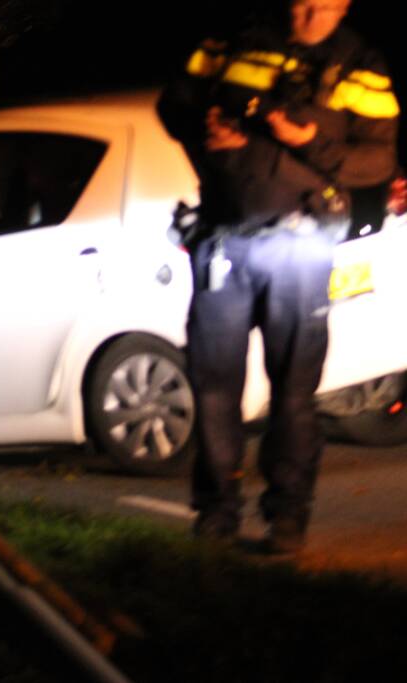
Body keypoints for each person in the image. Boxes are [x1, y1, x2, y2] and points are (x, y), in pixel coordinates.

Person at [157, 0, 400, 553]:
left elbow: (377, 161)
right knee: (214, 386)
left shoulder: (361, 67)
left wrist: (305, 140)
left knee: (293, 391)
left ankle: (287, 517)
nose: (307, 12)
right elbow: (173, 104)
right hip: (224, 238)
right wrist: (203, 129)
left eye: (322, 4)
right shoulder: (235, 40)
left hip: (300, 242)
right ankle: (216, 513)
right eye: (300, 1)